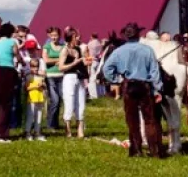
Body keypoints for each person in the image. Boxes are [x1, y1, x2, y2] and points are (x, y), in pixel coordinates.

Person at [103, 22, 165, 158]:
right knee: (150, 120)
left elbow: (106, 69)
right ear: (138, 35)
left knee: (132, 120)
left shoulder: (119, 51)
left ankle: (136, 150)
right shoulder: (147, 50)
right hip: (145, 86)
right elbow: (154, 72)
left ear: (126, 36)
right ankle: (154, 150)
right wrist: (157, 90)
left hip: (129, 86)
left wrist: (116, 80)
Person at [0, 22, 21, 143]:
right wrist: (22, 62)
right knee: (6, 104)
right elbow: (17, 56)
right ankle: (3, 134)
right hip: (8, 73)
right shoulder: (12, 42)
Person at [60, 27, 88, 138]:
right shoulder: (65, 50)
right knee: (69, 103)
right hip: (69, 77)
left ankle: (80, 131)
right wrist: (74, 63)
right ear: (71, 37)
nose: (78, 38)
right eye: (76, 36)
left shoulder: (78, 49)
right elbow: (61, 67)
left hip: (80, 78)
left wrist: (86, 61)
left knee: (81, 103)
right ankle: (68, 131)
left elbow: (82, 64)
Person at [43, 26, 64, 131]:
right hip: (51, 76)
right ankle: (50, 124)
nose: (54, 38)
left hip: (61, 75)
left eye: (56, 35)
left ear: (59, 36)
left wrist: (56, 60)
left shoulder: (63, 46)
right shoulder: (47, 46)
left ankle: (55, 123)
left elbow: (66, 58)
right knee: (54, 100)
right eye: (52, 36)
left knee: (59, 100)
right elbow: (46, 60)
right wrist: (58, 59)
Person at [24, 57, 47, 141]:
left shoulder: (41, 76)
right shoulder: (29, 76)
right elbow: (26, 88)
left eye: (37, 66)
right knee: (31, 117)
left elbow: (44, 86)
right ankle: (28, 132)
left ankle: (37, 133)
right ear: (30, 67)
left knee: (39, 116)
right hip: (31, 100)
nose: (35, 68)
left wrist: (43, 85)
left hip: (40, 98)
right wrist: (35, 86)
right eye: (33, 66)